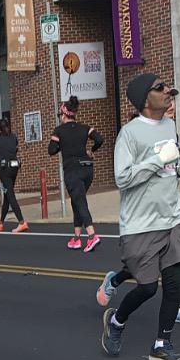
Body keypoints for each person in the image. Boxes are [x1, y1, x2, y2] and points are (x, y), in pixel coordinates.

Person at [101, 72, 180, 360]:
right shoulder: (129, 134)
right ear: (145, 99)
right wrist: (159, 160)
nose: (168, 92)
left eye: (167, 88)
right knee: (146, 288)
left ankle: (162, 343)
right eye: (161, 88)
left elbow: (172, 163)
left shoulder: (170, 125)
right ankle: (117, 321)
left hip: (173, 218)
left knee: (177, 282)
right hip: (140, 225)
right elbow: (123, 178)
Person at [48, 97, 103, 251]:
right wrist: (91, 150)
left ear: (64, 113)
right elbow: (99, 139)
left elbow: (51, 150)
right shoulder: (85, 128)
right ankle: (77, 238)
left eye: (60, 115)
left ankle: (92, 236)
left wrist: (63, 144)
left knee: (80, 201)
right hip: (87, 169)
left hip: (72, 170)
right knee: (76, 200)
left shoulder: (59, 130)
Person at [0, 117, 29, 232]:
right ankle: (0, 223)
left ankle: (21, 222)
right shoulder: (13, 136)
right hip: (14, 168)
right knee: (8, 194)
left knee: (10, 195)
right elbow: (15, 149)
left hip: (5, 169)